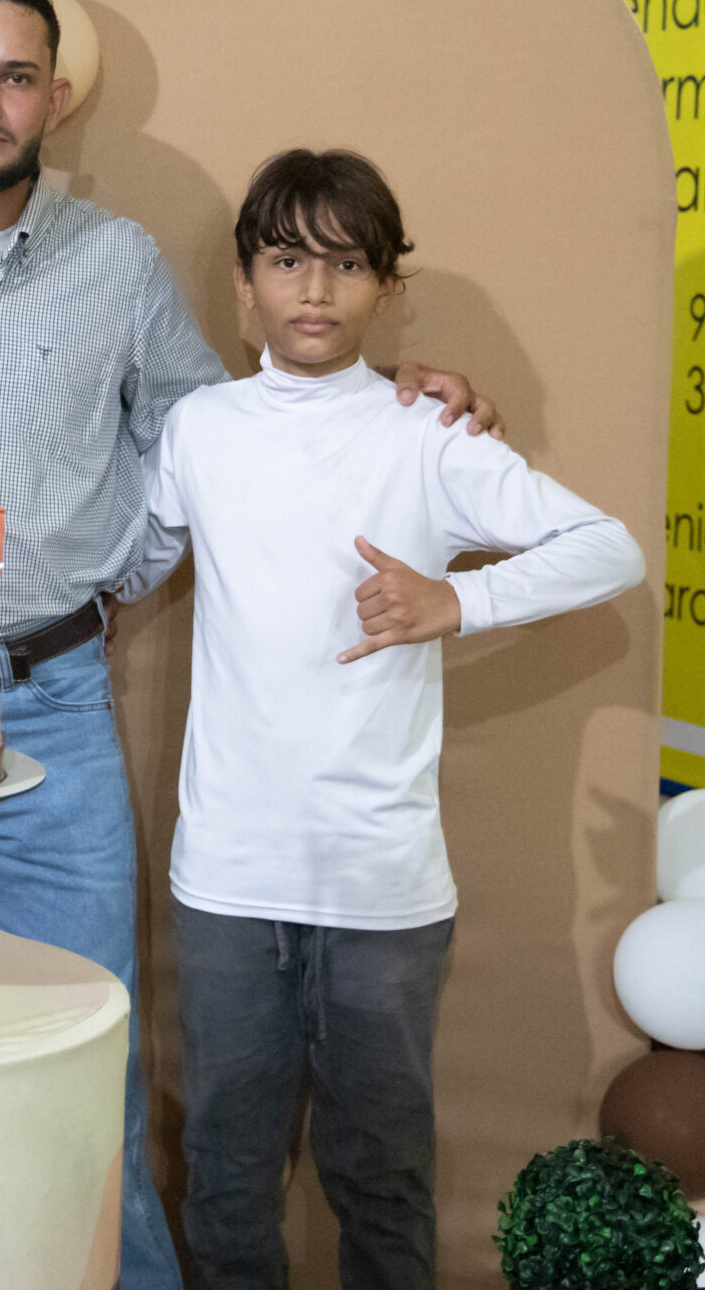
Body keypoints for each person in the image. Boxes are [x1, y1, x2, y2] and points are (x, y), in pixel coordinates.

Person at [0, 0, 499, 1289]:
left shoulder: (114, 264)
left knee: (77, 1059)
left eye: (13, 77)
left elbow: (220, 430)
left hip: (48, 715)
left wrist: (380, 398)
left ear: (54, 96)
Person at [122, 149, 645, 1290]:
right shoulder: (202, 428)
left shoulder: (426, 433)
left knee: (382, 1178)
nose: (314, 289)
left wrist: (458, 600)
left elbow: (609, 548)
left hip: (380, 888)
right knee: (225, 1177)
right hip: (228, 877)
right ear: (244, 284)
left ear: (387, 288)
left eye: (347, 264)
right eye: (286, 261)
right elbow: (127, 561)